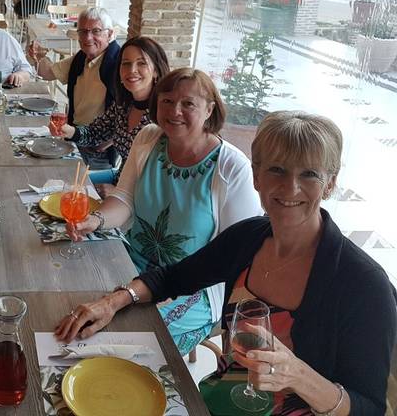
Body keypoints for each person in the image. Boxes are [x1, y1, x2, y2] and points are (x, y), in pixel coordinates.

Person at [56, 111, 397, 415]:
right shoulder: (248, 238)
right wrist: (112, 302)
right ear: (257, 176)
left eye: (309, 174)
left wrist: (298, 375)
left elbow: (368, 407)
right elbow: (173, 278)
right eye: (276, 169)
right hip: (214, 399)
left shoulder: (365, 286)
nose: (290, 187)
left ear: (330, 183)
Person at [63, 68, 261, 353]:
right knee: (72, 302)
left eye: (188, 104)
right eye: (166, 101)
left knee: (120, 343)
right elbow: (124, 199)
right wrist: (95, 220)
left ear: (210, 109)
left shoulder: (231, 167)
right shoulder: (148, 138)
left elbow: (234, 259)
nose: (174, 111)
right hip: (131, 259)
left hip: (192, 287)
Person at [51, 36, 170, 180]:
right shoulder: (123, 105)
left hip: (141, 193)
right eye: (126, 63)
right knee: (65, 184)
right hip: (119, 180)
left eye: (141, 63)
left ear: (156, 71)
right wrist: (69, 131)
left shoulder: (164, 114)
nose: (132, 70)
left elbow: (163, 175)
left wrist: (118, 194)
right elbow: (95, 132)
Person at [28, 8, 122, 170]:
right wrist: (38, 57)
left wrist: (110, 140)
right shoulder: (81, 58)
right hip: (74, 137)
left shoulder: (118, 64)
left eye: (96, 31)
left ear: (110, 33)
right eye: (83, 31)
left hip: (98, 151)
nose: (88, 37)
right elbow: (47, 73)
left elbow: (133, 109)